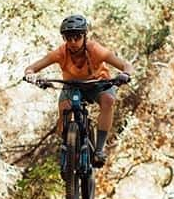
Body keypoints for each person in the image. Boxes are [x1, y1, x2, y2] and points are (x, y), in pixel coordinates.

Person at [24, 14, 134, 167]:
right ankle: (67, 146)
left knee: (108, 100)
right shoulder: (60, 53)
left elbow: (126, 66)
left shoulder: (95, 50)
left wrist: (125, 74)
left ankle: (99, 150)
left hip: (98, 84)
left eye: (77, 37)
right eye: (68, 38)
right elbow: (31, 68)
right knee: (64, 113)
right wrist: (31, 76)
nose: (73, 42)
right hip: (72, 86)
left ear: (84, 36)